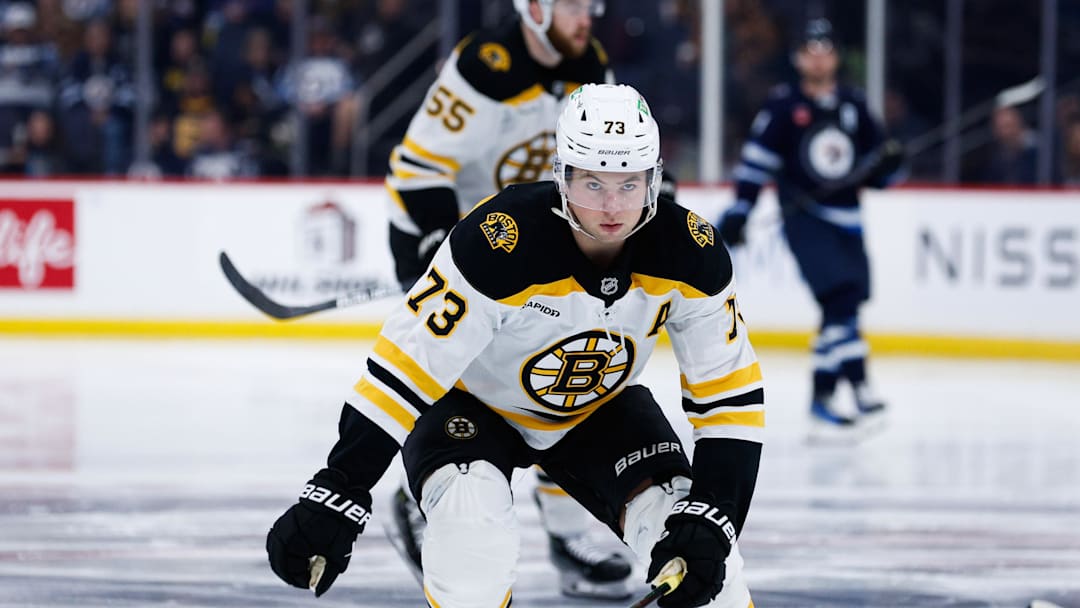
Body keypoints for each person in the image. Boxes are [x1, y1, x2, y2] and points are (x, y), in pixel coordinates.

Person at [266, 83, 763, 608]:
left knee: (713, 572)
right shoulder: (498, 242)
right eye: (592, 183)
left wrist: (715, 516)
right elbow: (405, 368)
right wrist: (340, 487)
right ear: (561, 175)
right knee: (471, 541)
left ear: (654, 180)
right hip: (470, 406)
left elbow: (730, 400)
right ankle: (435, 515)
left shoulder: (692, 254)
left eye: (629, 183)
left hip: (599, 408)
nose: (612, 207)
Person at [380, 0, 635, 599]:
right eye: (573, 4)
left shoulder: (591, 64)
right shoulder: (484, 68)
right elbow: (417, 172)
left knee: (567, 370)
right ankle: (424, 500)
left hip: (539, 240)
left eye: (590, 4)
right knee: (455, 381)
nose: (587, 16)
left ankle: (570, 534)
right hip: (449, 238)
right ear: (535, 8)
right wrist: (445, 252)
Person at [717, 18, 903, 437]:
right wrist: (741, 209)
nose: (818, 57)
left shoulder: (854, 105)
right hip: (805, 219)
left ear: (836, 56)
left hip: (849, 222)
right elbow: (757, 162)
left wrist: (890, 166)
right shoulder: (784, 107)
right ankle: (856, 384)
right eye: (810, 48)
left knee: (846, 303)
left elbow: (878, 167)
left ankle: (824, 397)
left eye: (826, 48)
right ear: (798, 58)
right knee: (840, 296)